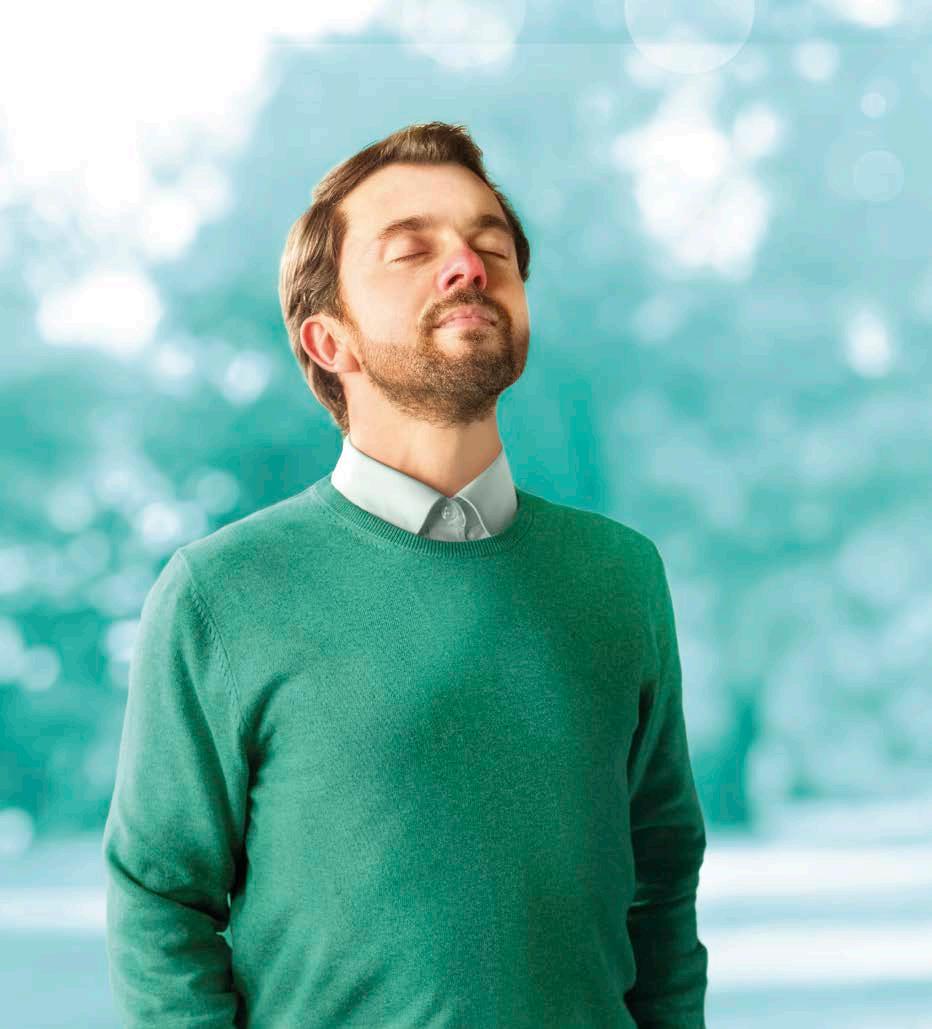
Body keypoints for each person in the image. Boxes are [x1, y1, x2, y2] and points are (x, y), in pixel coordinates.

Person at [102, 120, 709, 1027]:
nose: (467, 266)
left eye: (491, 247)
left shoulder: (620, 575)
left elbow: (662, 882)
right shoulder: (221, 594)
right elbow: (161, 902)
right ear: (329, 340)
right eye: (412, 251)